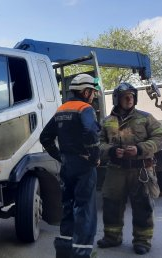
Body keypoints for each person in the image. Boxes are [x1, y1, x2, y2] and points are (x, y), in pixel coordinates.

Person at [96, 82, 162, 255]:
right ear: (116, 99)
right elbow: (97, 144)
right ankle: (112, 237)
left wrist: (140, 149)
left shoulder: (146, 117)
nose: (129, 99)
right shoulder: (107, 122)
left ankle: (142, 241)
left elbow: (161, 138)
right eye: (125, 96)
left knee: (143, 206)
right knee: (111, 204)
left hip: (141, 171)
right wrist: (111, 151)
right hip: (115, 171)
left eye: (132, 96)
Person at [39, 73, 101, 258]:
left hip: (67, 165)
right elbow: (90, 132)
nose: (93, 96)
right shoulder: (85, 108)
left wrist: (60, 157)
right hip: (83, 166)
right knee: (85, 209)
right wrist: (94, 157)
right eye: (93, 92)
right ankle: (82, 254)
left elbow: (45, 138)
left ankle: (65, 252)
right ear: (86, 91)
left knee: (68, 207)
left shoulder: (61, 109)